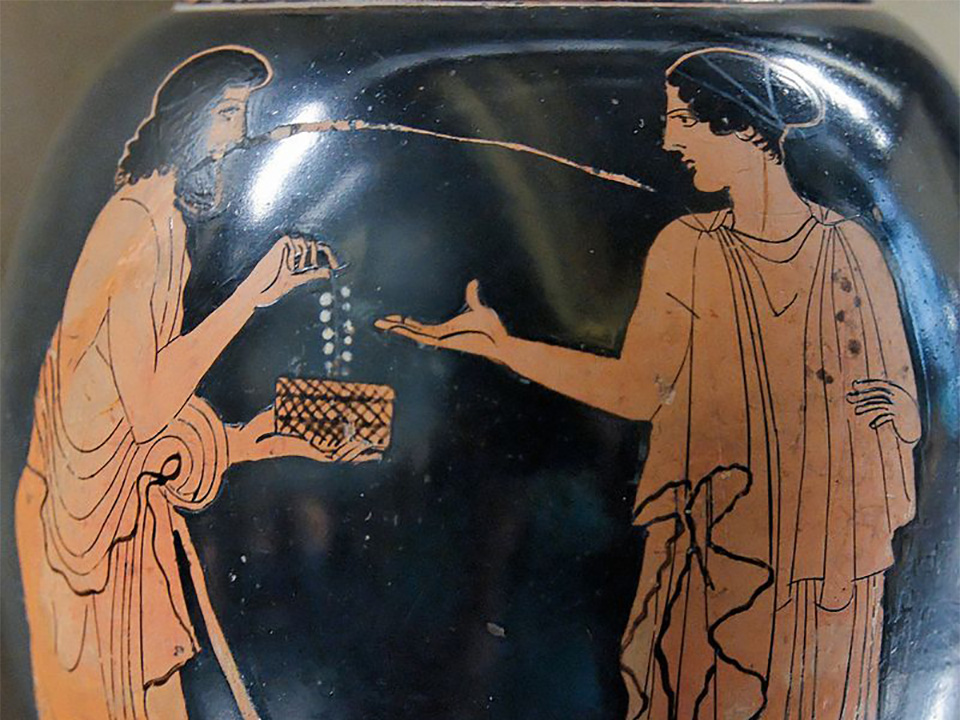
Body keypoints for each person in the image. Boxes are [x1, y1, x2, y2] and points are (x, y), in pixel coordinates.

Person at [377, 48, 921, 720]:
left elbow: (906, 399)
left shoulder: (850, 249)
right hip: (715, 538)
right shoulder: (689, 247)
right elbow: (639, 391)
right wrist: (504, 347)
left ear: (737, 124)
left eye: (681, 121)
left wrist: (896, 411)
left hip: (823, 554)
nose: (668, 141)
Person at [15, 45, 378, 720]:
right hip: (91, 542)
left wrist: (267, 439)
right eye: (228, 114)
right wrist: (251, 297)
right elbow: (147, 414)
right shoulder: (141, 226)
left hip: (118, 527)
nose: (238, 136)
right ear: (185, 120)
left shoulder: (162, 226)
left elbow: (148, 421)